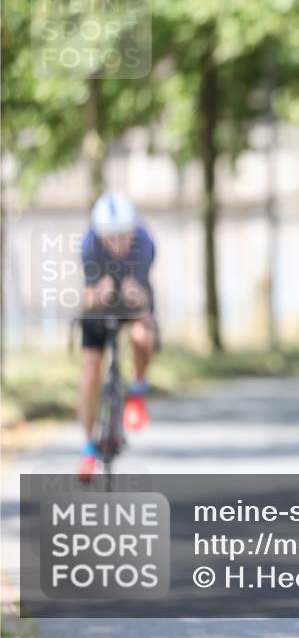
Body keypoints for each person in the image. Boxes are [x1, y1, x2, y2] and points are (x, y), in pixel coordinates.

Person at [77, 192, 157, 482]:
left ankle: (137, 390)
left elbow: (146, 299)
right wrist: (99, 294)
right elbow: (86, 298)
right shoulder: (89, 246)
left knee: (142, 335)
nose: (118, 243)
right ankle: (89, 447)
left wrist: (137, 296)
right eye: (111, 238)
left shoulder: (145, 243)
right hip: (100, 306)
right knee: (90, 370)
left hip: (133, 302)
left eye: (124, 236)